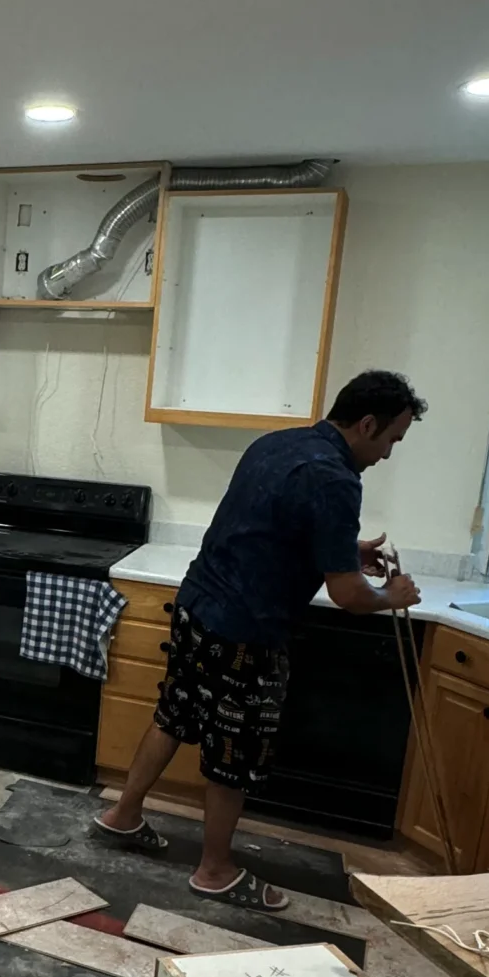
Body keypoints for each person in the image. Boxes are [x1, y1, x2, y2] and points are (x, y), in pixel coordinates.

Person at [95, 369, 427, 908]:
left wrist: (346, 550)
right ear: (367, 424)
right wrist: (394, 596)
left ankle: (123, 812)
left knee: (174, 714)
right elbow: (348, 596)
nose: (389, 453)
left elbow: (275, 528)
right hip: (246, 631)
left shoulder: (278, 443)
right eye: (392, 439)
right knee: (234, 753)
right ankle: (214, 870)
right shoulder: (337, 479)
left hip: (197, 604)